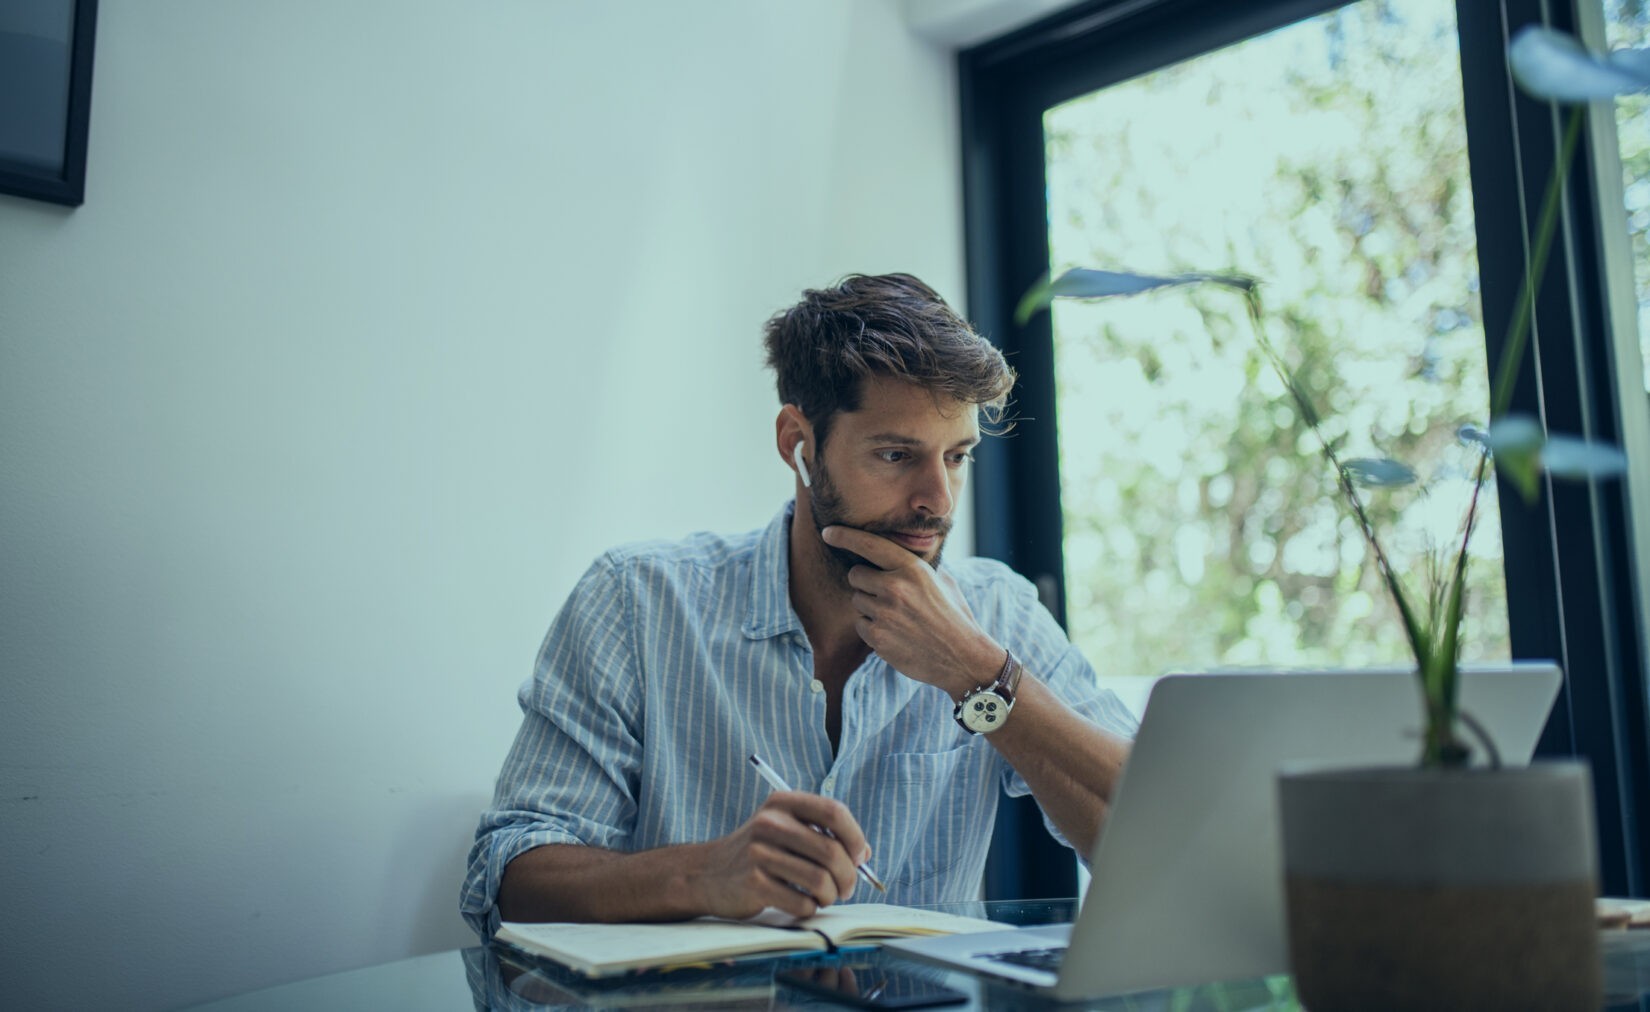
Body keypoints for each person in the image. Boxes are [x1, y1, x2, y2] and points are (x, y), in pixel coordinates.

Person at [461, 273, 1136, 938]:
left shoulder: (998, 614)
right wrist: (704, 875)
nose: (938, 499)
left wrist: (979, 674)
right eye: (897, 454)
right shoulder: (637, 602)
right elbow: (509, 876)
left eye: (957, 457)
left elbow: (1152, 836)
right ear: (798, 444)